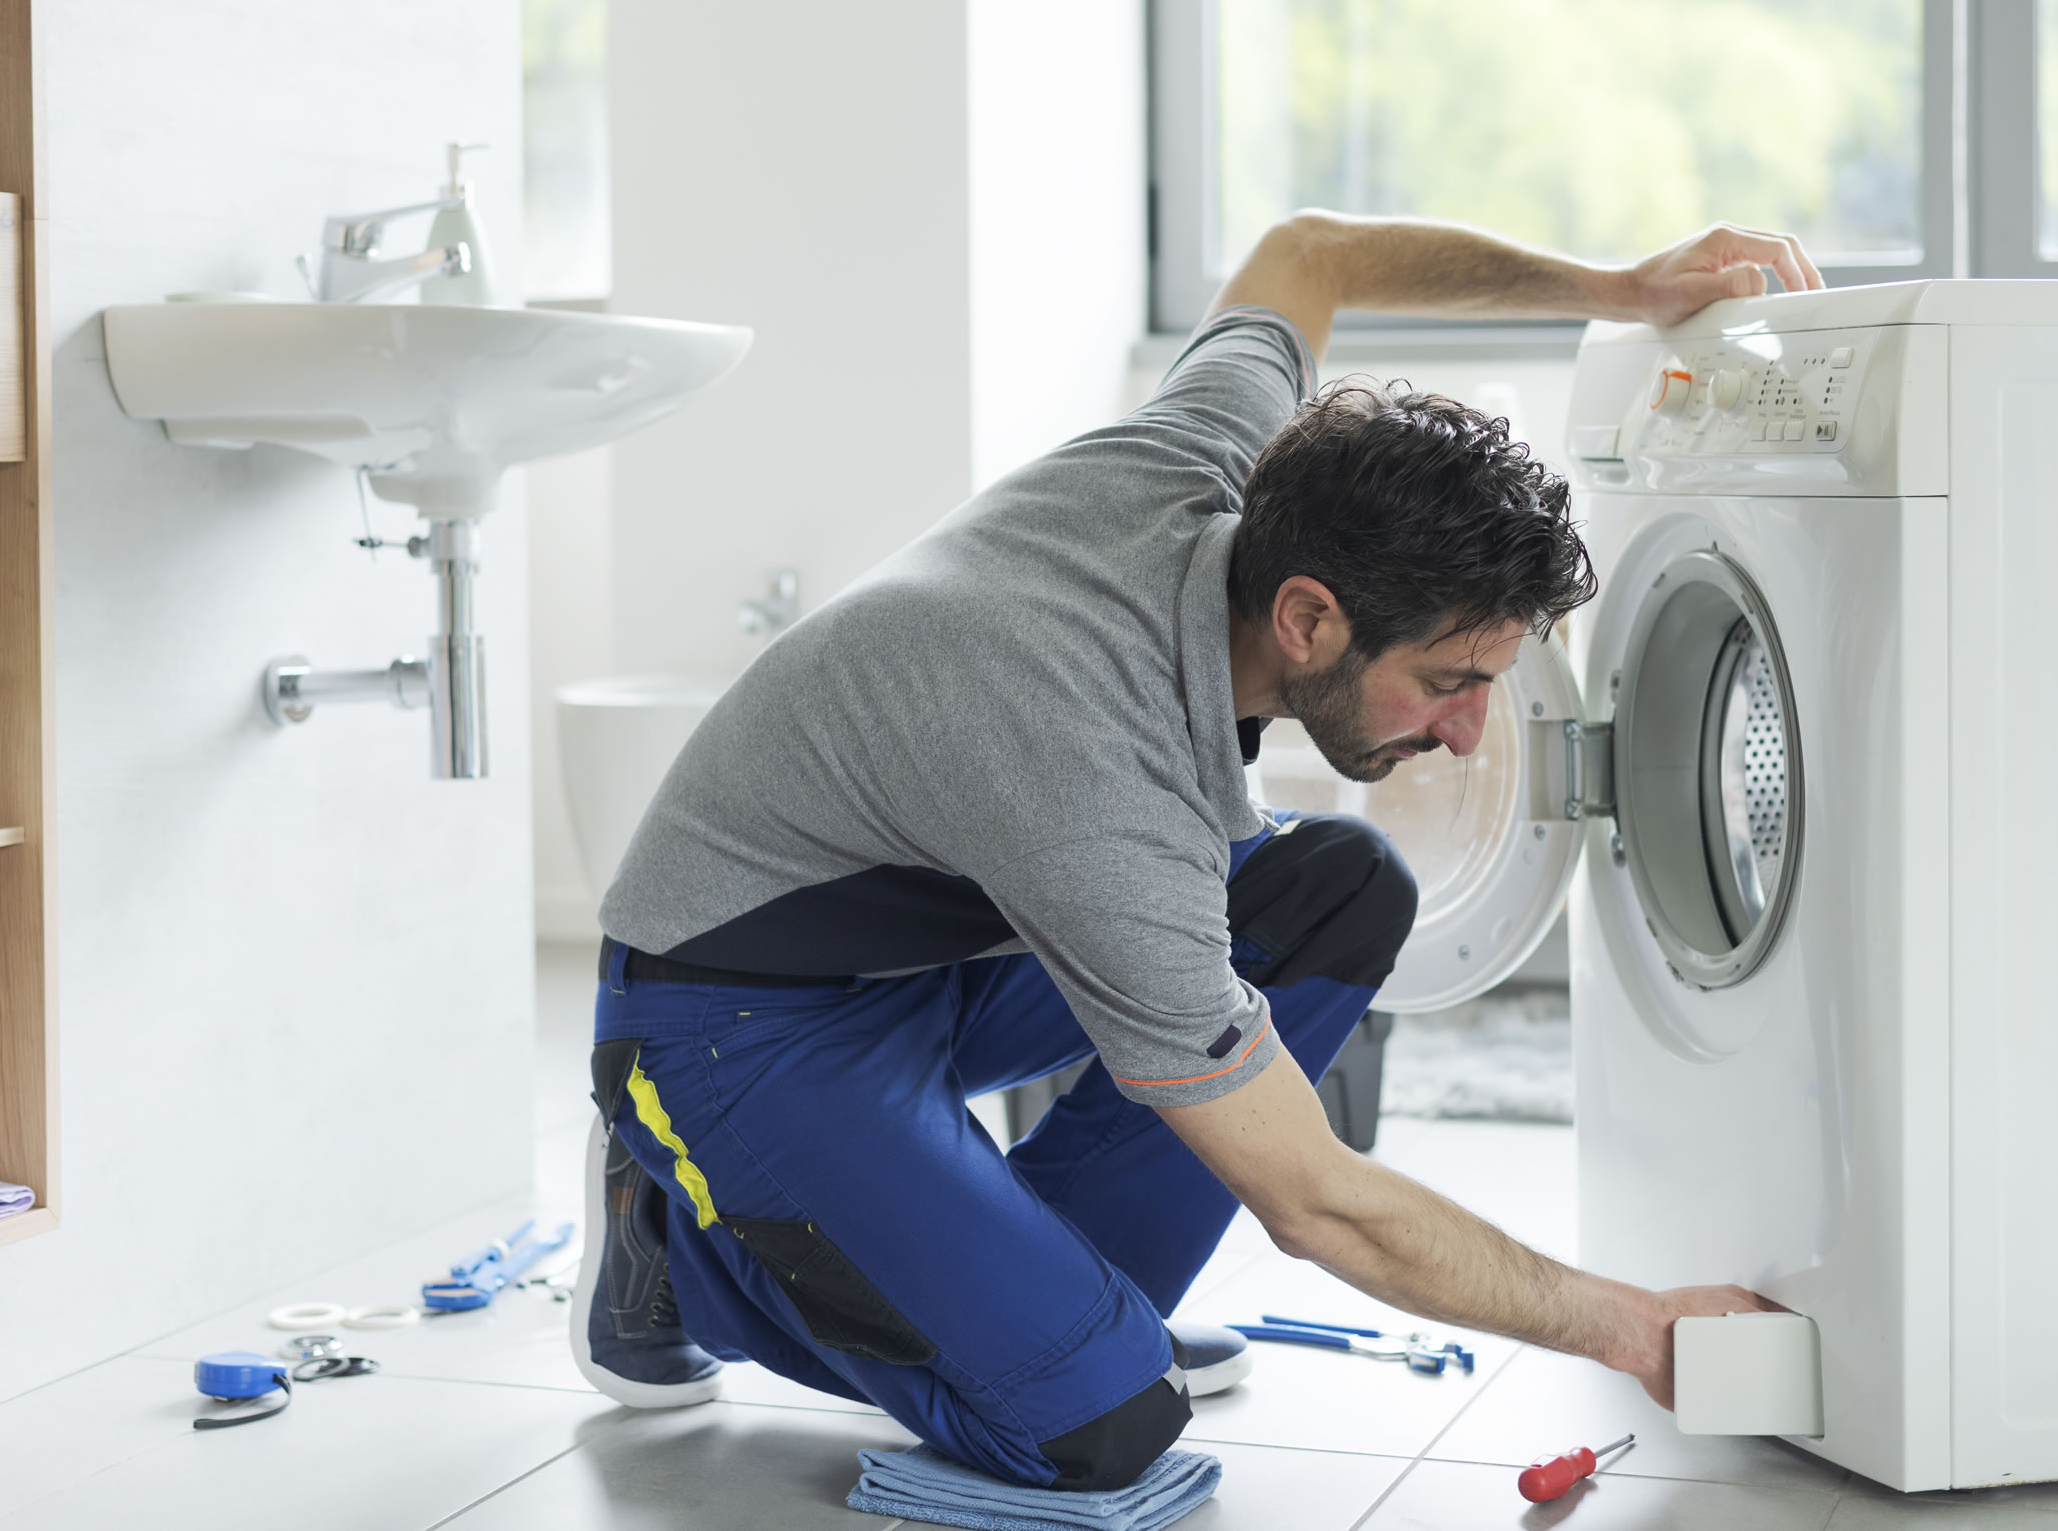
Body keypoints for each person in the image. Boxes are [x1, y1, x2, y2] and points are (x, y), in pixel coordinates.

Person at [570, 210, 1823, 1490]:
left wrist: (1611, 285)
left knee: (1339, 890)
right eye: (1448, 680)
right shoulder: (1092, 773)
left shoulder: (1215, 459)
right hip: (730, 1027)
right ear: (1307, 618)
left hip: (925, 950)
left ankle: (1027, 1309)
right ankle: (675, 1246)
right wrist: (1636, 1325)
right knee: (1097, 1429)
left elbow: (1312, 252)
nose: (1466, 734)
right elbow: (1315, 1199)